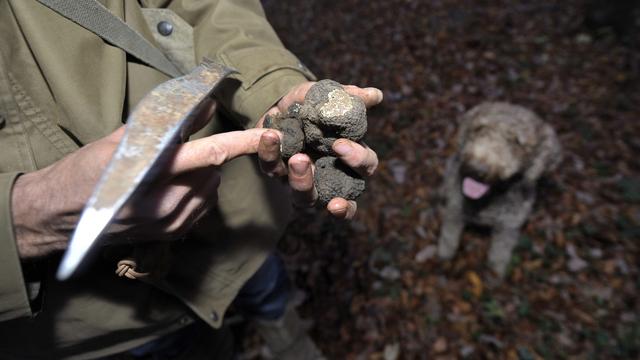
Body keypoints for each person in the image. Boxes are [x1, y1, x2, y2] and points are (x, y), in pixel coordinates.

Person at [0, 0, 381, 359]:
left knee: (263, 284)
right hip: (100, 322)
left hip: (233, 210)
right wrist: (26, 217)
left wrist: (269, 85)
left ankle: (286, 332)